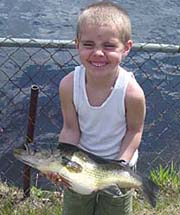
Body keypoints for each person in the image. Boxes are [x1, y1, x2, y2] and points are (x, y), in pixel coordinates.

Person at [48, 1, 146, 215]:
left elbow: (134, 131)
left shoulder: (132, 93)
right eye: (89, 44)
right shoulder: (68, 85)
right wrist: (61, 163)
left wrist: (120, 165)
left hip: (120, 165)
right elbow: (71, 128)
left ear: (126, 48)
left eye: (109, 46)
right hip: (79, 166)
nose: (98, 53)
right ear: (77, 44)